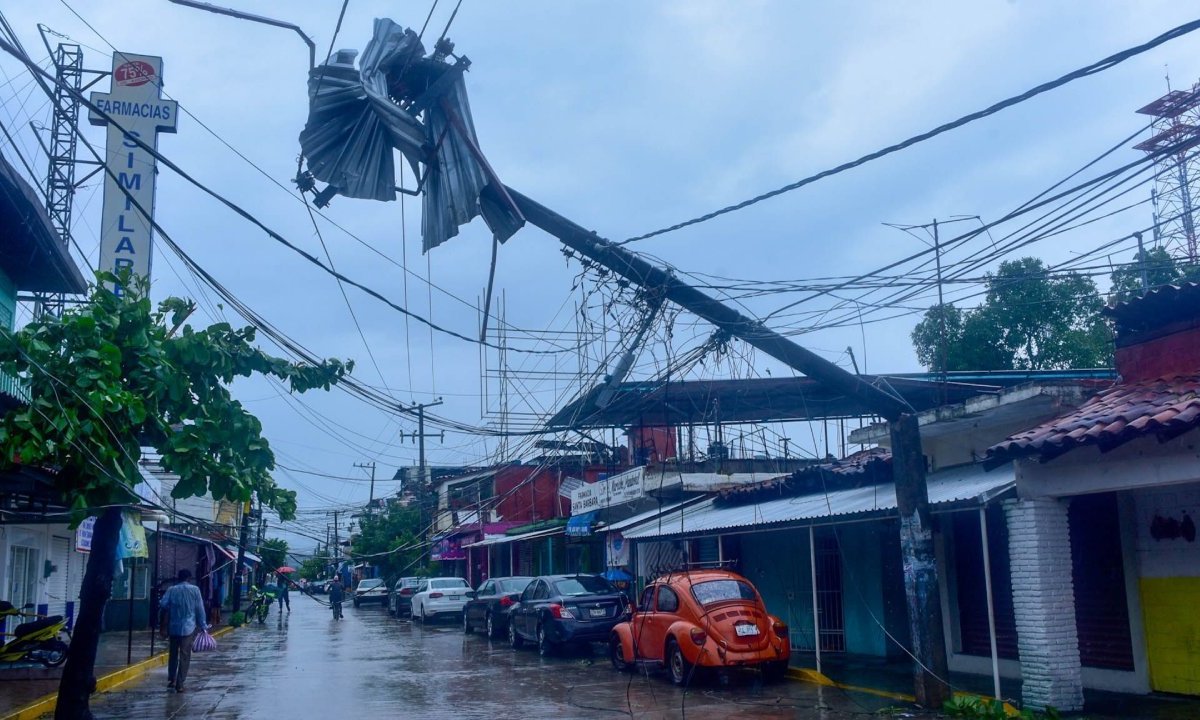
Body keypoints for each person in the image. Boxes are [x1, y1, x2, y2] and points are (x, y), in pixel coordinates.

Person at [158, 569, 207, 693]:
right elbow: (199, 609)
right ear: (189, 578)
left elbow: (163, 604)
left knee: (173, 653)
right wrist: (203, 625)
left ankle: (171, 679)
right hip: (188, 627)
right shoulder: (195, 590)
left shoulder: (171, 590)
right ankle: (180, 684)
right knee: (185, 655)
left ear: (179, 578)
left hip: (173, 627)